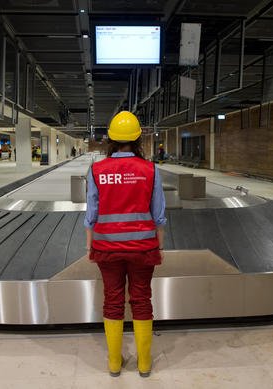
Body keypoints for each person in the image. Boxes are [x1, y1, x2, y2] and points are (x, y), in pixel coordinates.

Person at [84, 111, 167, 378]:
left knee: (113, 300)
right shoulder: (150, 170)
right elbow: (159, 215)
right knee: (142, 299)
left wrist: (90, 247)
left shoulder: (97, 169)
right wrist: (159, 247)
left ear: (110, 139)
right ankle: (143, 362)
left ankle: (114, 363)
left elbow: (91, 215)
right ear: (137, 139)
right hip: (143, 247)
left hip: (107, 248)